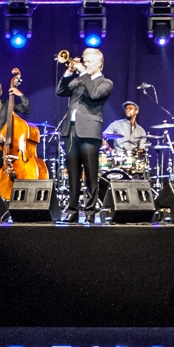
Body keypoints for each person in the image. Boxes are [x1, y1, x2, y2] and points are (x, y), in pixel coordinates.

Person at [56, 48, 113, 220]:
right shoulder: (80, 80)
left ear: (99, 64)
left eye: (89, 61)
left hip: (89, 131)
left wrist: (83, 73)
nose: (85, 64)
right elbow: (61, 91)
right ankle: (72, 211)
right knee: (73, 173)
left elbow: (94, 94)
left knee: (91, 174)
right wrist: (68, 72)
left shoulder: (106, 82)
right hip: (71, 130)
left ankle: (90, 211)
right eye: (84, 61)